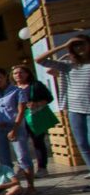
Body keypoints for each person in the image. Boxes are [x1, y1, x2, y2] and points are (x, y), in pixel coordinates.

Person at [35, 33, 90, 179]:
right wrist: (64, 46)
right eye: (76, 45)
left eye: (82, 44)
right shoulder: (68, 66)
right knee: (82, 143)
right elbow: (39, 60)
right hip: (75, 109)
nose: (79, 48)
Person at [0, 67, 35, 193]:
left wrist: (15, 129)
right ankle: (11, 186)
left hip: (14, 126)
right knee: (4, 160)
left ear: (6, 77)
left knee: (22, 157)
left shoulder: (17, 91)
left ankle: (31, 186)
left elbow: (21, 111)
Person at [11, 63, 54, 176]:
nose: (18, 75)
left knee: (38, 143)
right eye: (15, 73)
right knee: (20, 143)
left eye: (21, 72)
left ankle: (42, 168)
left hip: (34, 117)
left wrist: (37, 103)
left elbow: (49, 98)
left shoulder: (36, 85)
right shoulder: (11, 88)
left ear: (27, 74)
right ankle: (22, 166)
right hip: (18, 119)